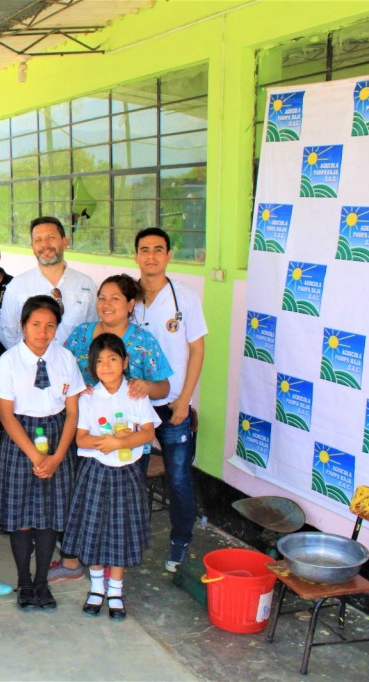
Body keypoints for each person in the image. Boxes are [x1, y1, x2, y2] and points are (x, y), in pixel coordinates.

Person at [0, 295, 85, 611]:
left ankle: (42, 582)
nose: (42, 333)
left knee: (49, 518)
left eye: (49, 326)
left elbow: (72, 412)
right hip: (21, 441)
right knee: (22, 518)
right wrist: (34, 455)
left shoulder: (66, 359)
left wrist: (57, 457)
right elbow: (5, 414)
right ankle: (25, 583)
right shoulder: (9, 361)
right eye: (35, 325)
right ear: (23, 326)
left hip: (58, 438)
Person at [62, 334, 160, 621]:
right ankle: (96, 588)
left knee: (121, 531)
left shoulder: (134, 394)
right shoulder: (89, 398)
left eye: (113, 359)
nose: (106, 366)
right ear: (92, 366)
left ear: (125, 362)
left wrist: (120, 443)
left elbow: (148, 432)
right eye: (100, 361)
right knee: (93, 529)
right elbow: (80, 439)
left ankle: (115, 590)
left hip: (126, 472)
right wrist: (102, 441)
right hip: (95, 472)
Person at [132, 227, 208, 572]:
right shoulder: (127, 296)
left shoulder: (185, 298)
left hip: (173, 404)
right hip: (135, 406)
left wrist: (184, 400)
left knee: (178, 477)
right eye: (144, 249)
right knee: (129, 474)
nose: (151, 256)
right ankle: (130, 539)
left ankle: (180, 540)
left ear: (168, 256)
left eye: (158, 249)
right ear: (136, 255)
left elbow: (197, 349)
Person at [0, 216, 97, 350]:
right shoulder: (17, 286)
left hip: (75, 367)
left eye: (51, 238)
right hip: (31, 369)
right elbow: (7, 334)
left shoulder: (86, 284)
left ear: (65, 242)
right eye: (38, 240)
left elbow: (93, 328)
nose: (45, 245)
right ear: (33, 247)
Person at [65, 274, 172, 396]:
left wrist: (148, 387)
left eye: (115, 299)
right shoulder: (81, 333)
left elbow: (164, 388)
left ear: (130, 305)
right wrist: (75, 389)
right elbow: (59, 371)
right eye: (102, 298)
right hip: (84, 412)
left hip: (127, 413)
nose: (106, 304)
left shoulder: (144, 341)